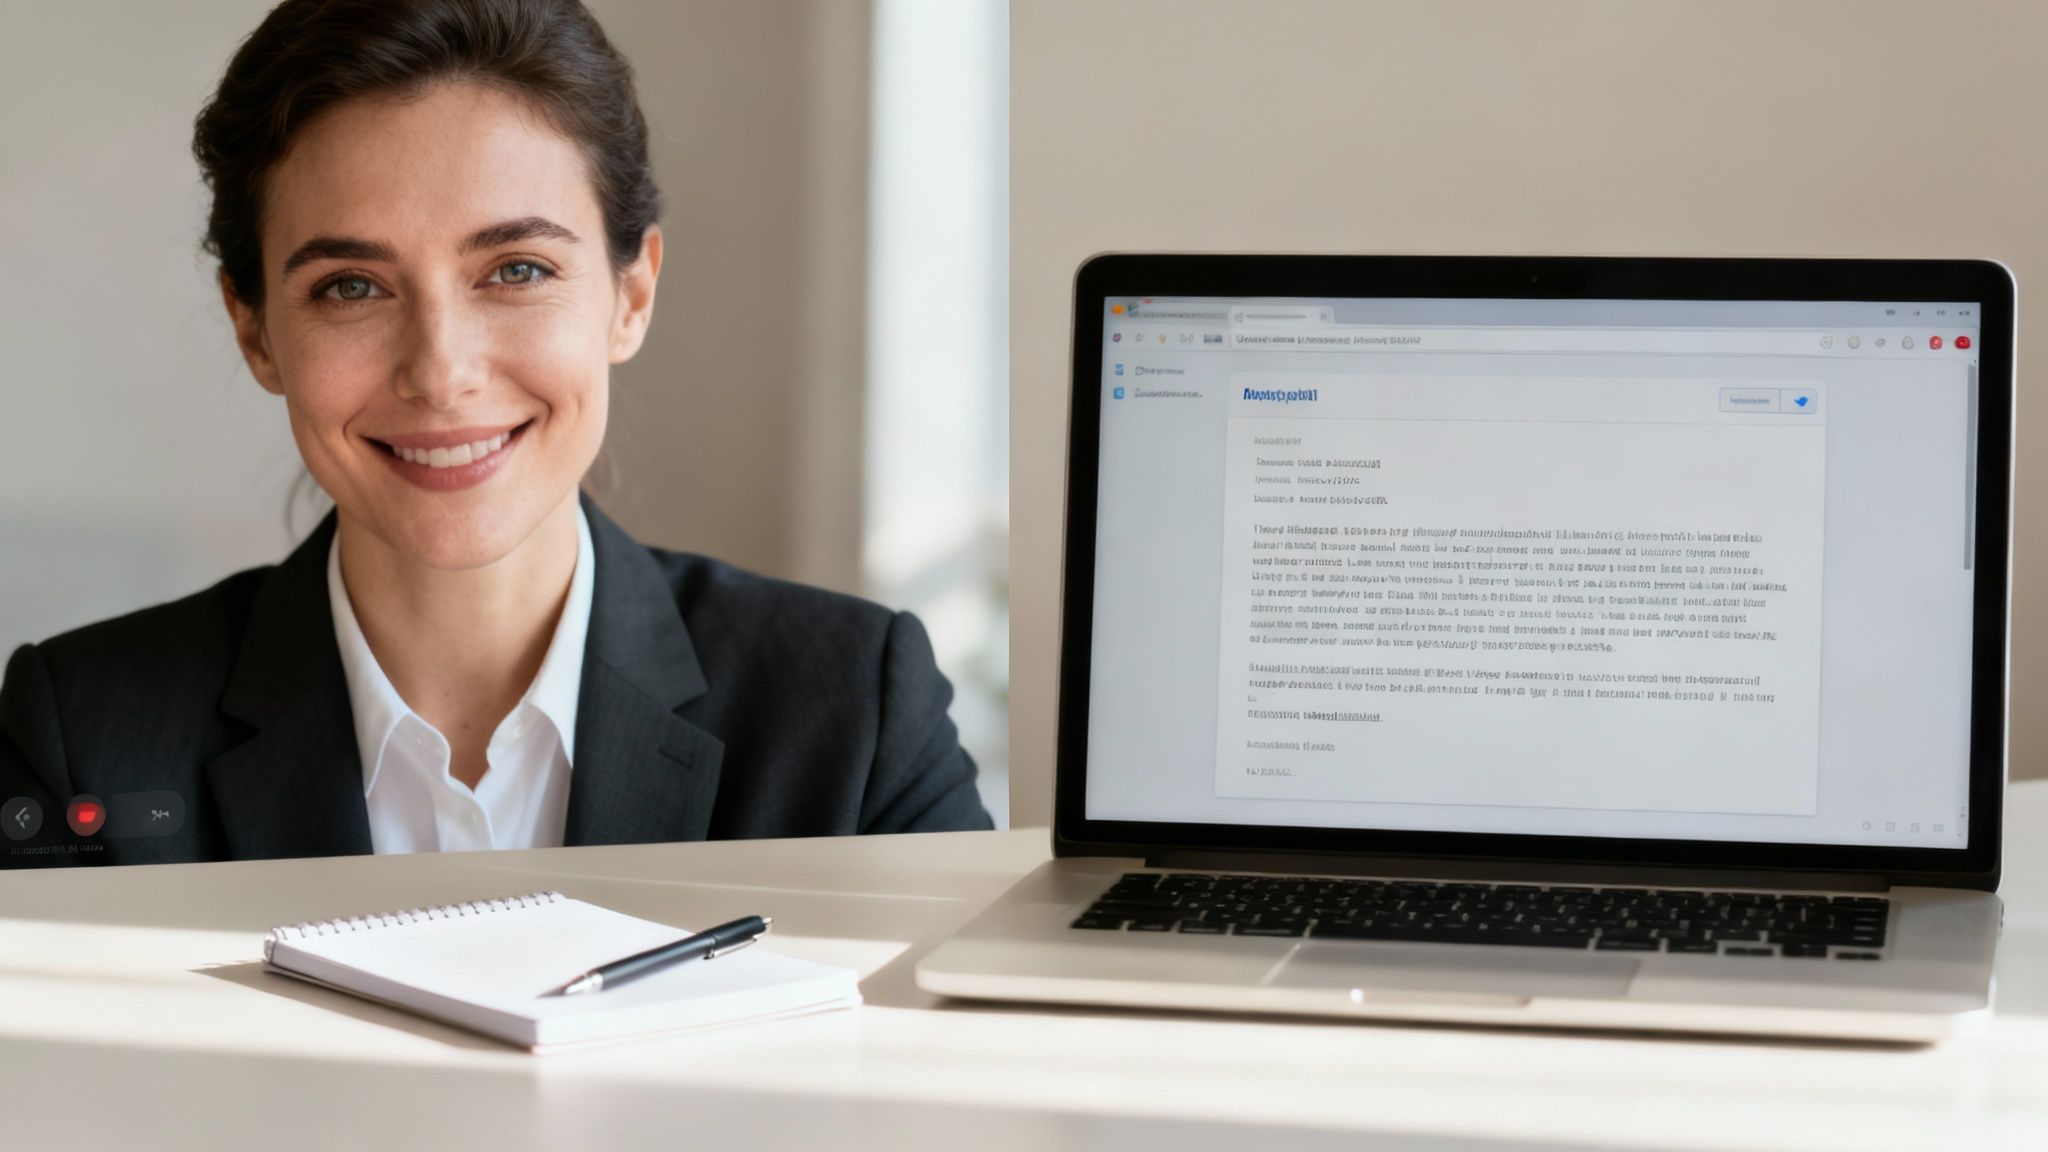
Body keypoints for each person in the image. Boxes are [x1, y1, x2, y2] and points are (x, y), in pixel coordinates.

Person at [0, 0, 991, 867]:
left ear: (630, 293)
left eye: (515, 269)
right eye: (351, 286)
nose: (440, 369)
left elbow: (960, 1078)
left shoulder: (854, 710)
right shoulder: (83, 729)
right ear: (255, 329)